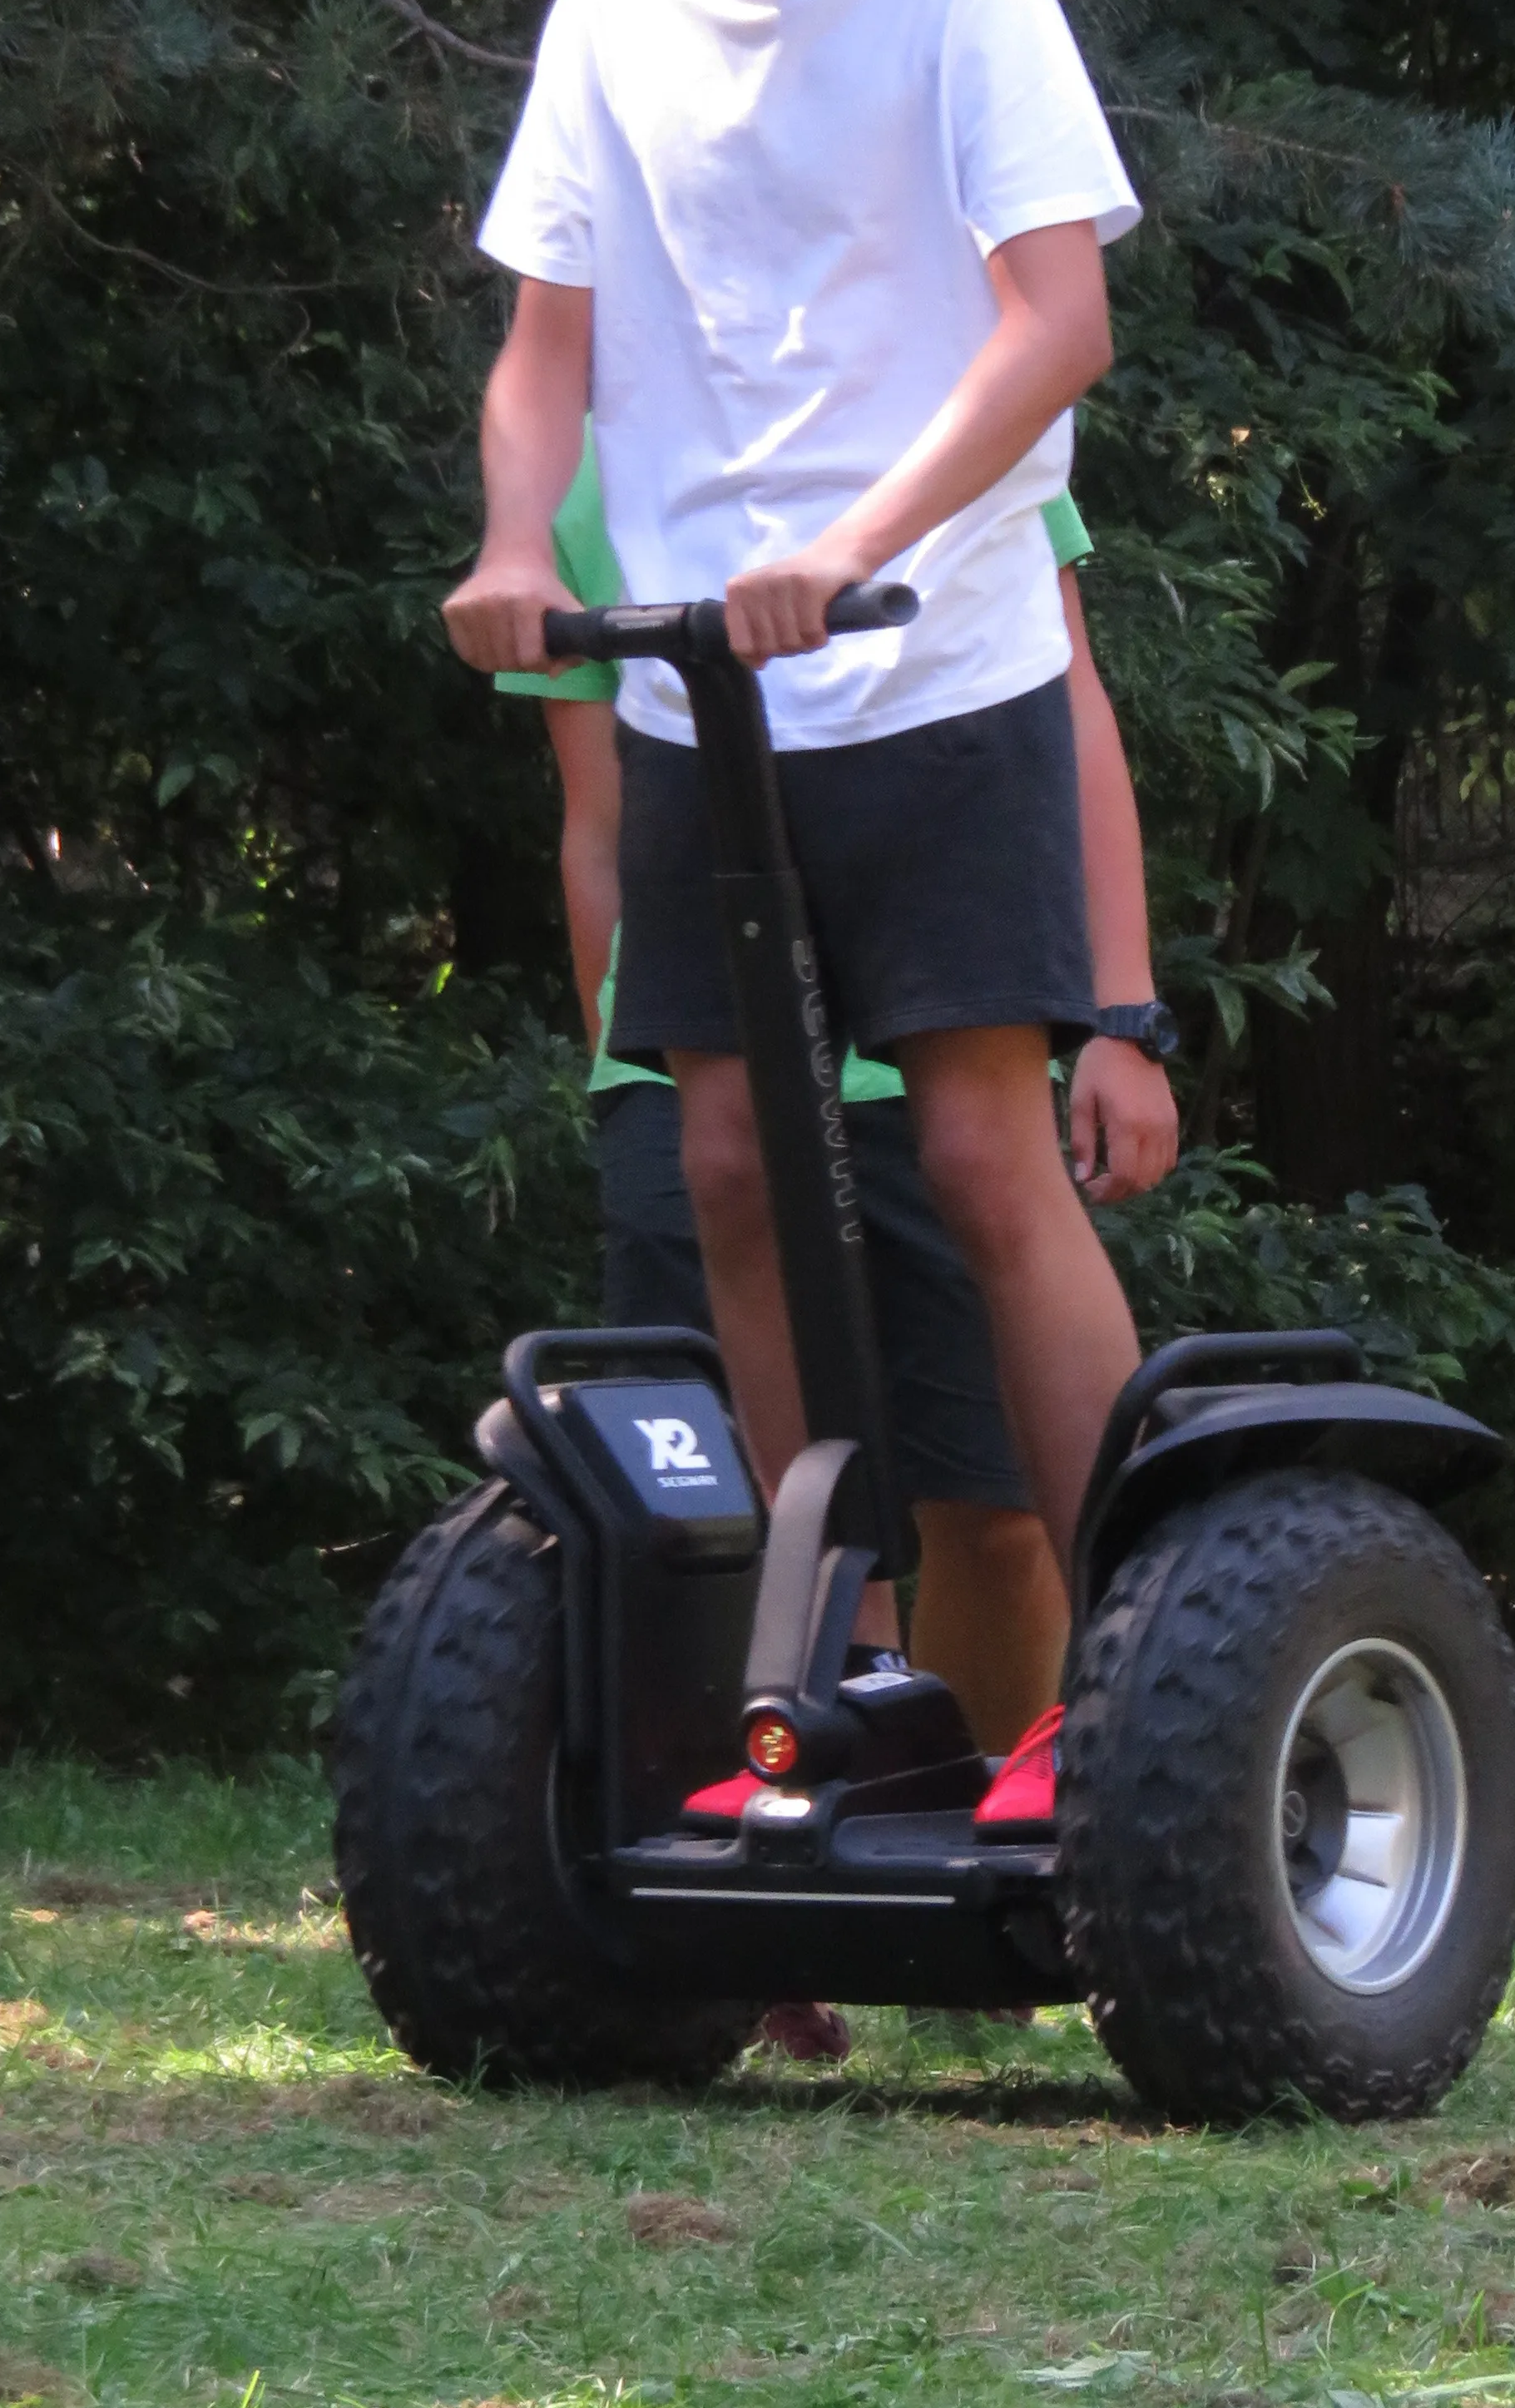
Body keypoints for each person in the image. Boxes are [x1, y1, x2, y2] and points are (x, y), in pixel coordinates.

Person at [443, 0, 1146, 1832]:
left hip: (930, 669)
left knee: (971, 1150)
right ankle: (813, 1692)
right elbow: (545, 340)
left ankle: (1147, 1678)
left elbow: (1059, 328)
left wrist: (868, 538)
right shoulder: (609, 16)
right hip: (702, 709)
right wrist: (518, 544)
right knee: (731, 1158)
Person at [493, 428, 1180, 1757]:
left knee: (998, 1518)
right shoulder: (593, 472)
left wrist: (1123, 1015)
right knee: (773, 1542)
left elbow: (1071, 707)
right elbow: (599, 817)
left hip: (940, 1043)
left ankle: (1005, 1854)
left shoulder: (945, 401)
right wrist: (626, 1068)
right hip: (708, 1068)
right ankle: (801, 1854)